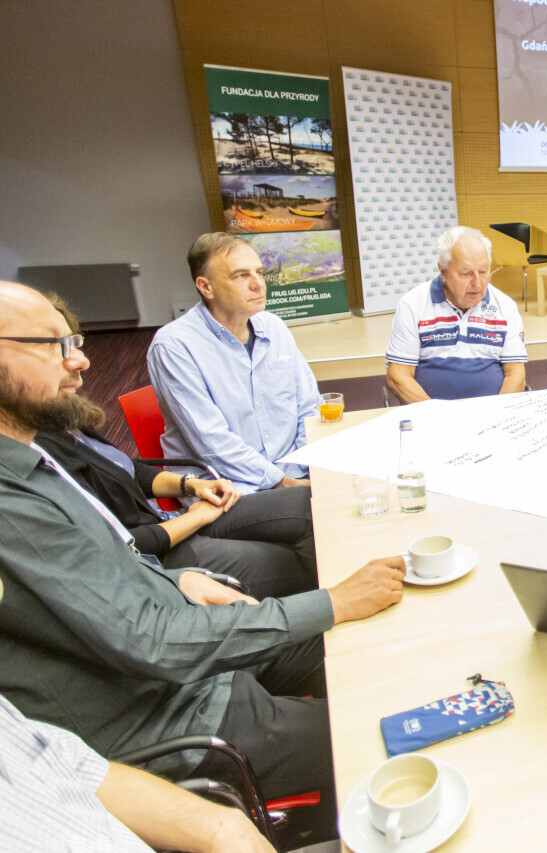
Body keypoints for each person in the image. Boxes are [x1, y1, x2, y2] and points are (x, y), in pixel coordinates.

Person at [0, 280, 404, 827]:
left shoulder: (30, 456)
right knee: (386, 731)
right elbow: (150, 641)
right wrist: (333, 602)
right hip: (174, 717)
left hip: (191, 665)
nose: (80, 361)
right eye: (54, 344)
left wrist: (177, 581)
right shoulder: (11, 502)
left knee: (384, 648)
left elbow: (108, 569)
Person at [38, 294, 316, 599]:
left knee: (313, 505)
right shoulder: (40, 453)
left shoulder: (61, 418)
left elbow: (125, 470)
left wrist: (191, 485)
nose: (82, 360)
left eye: (73, 344)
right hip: (162, 560)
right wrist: (195, 517)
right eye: (55, 346)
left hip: (174, 524)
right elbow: (121, 545)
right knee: (311, 561)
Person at [0, 573, 274, 853]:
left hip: (173, 694)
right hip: (166, 718)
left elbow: (78, 767)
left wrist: (218, 828)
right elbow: (144, 638)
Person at [147, 233, 319, 493]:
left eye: (259, 272)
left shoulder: (273, 326)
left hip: (291, 470)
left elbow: (309, 406)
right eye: (240, 276)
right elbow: (212, 443)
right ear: (206, 287)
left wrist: (307, 466)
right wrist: (283, 482)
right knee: (328, 510)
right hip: (228, 488)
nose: (258, 284)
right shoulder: (174, 345)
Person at [385, 225, 527, 401]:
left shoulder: (505, 306)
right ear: (443, 271)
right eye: (466, 274)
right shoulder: (412, 305)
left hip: (493, 412)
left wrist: (497, 412)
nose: (477, 283)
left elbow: (516, 375)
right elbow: (398, 376)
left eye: (483, 272)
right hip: (430, 413)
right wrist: (436, 413)